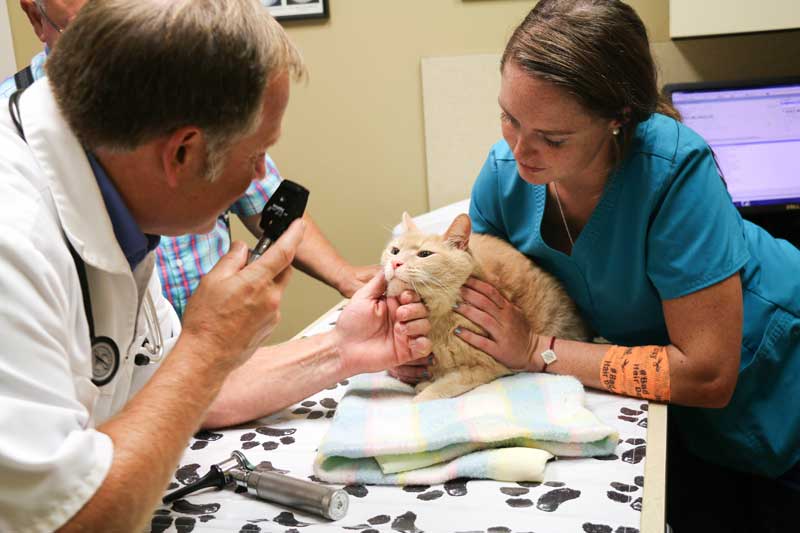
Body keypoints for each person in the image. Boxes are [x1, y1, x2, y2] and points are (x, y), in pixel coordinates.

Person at [0, 1, 432, 531]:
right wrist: (208, 346)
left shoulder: (115, 192)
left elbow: (169, 392)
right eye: (256, 157)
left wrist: (344, 349)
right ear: (181, 154)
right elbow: (66, 520)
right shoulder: (13, 240)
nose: (259, 178)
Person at [396, 1, 800, 531]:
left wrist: (537, 350)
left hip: (772, 379)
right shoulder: (502, 177)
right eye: (508, 118)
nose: (519, 150)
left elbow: (707, 374)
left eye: (553, 137)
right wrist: (418, 342)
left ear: (618, 120)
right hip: (663, 412)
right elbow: (468, 294)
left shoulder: (676, 173)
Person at [1, 1, 376, 318]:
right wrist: (208, 345)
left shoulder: (140, 249)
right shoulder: (20, 227)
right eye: (87, 33)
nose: (122, 55)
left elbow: (264, 198)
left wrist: (346, 283)